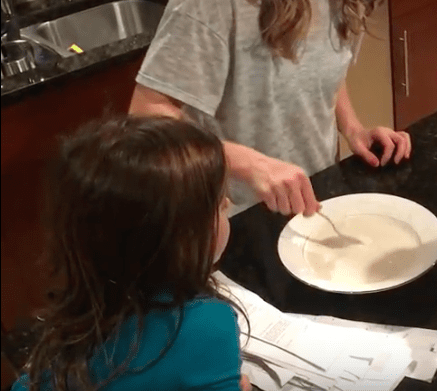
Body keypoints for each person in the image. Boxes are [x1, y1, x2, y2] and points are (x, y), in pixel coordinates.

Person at [12, 116, 252, 391]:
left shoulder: (75, 317)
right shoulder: (209, 324)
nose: (230, 204)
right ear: (180, 238)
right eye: (220, 204)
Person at [129, 0, 411, 217]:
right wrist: (251, 164)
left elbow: (319, 70)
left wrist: (353, 128)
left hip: (312, 202)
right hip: (234, 219)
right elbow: (146, 114)